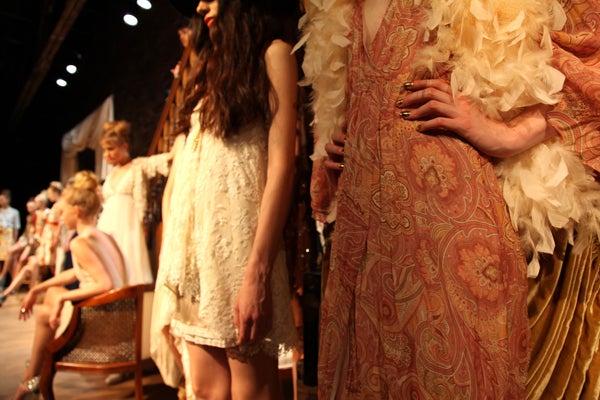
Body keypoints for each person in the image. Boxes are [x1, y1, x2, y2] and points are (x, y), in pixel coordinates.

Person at [299, 0, 600, 398]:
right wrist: (345, 130)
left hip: (448, 233)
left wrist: (508, 135)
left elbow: (590, 52)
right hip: (362, 233)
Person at [155, 0, 300, 398]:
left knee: (251, 391)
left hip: (240, 253)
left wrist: (257, 273)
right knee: (204, 390)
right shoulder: (211, 68)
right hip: (195, 257)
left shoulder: (274, 54)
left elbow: (281, 169)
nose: (201, 5)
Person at [11, 170, 128, 400]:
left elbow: (105, 283)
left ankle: (31, 376)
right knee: (52, 292)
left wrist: (63, 298)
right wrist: (37, 288)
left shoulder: (80, 243)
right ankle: (33, 371)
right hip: (120, 316)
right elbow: (80, 271)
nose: (61, 218)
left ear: (77, 211)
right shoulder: (102, 235)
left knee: (45, 312)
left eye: (63, 212)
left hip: (105, 325)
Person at [98, 119, 172, 285]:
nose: (106, 154)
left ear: (124, 146)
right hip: (108, 226)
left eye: (111, 149)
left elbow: (164, 159)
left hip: (128, 226)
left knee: (129, 267)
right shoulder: (111, 175)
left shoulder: (137, 166)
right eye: (104, 150)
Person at [0, 189, 21, 282]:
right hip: (1, 237)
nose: (1, 202)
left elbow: (16, 228)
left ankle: (12, 281)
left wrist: (14, 240)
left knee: (9, 260)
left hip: (8, 237)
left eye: (2, 199)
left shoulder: (14, 212)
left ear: (8, 200)